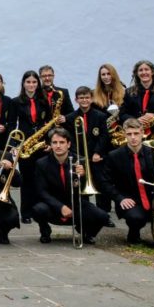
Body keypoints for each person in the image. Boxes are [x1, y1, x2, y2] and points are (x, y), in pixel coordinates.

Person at [101, 118, 154, 244]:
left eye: (136, 133)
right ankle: (134, 234)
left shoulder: (153, 152)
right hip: (131, 200)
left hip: (153, 198)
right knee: (136, 218)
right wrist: (120, 198)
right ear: (124, 134)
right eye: (129, 134)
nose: (133, 138)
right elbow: (104, 183)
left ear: (142, 133)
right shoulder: (114, 156)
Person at [32, 128, 109, 245]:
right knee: (38, 209)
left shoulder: (80, 160)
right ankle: (45, 231)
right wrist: (60, 207)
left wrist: (83, 176)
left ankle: (87, 233)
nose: (58, 146)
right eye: (55, 142)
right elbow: (42, 192)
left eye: (62, 142)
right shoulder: (41, 163)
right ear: (50, 145)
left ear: (68, 144)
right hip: (53, 205)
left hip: (76, 203)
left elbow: (88, 192)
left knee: (103, 217)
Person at [65, 86, 114, 222]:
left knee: (101, 185)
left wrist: (98, 152)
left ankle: (104, 215)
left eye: (87, 97)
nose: (84, 100)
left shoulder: (100, 116)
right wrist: (77, 155)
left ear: (91, 99)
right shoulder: (71, 118)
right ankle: (85, 214)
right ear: (76, 100)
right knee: (81, 185)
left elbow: (104, 136)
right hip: (79, 157)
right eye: (81, 98)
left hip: (96, 157)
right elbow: (70, 139)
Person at [12, 70, 50, 224]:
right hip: (26, 145)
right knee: (27, 180)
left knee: (40, 179)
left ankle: (38, 210)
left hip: (41, 144)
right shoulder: (16, 102)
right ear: (23, 84)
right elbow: (11, 125)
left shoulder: (43, 101)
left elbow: (47, 123)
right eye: (28, 82)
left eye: (34, 82)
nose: (31, 85)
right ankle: (26, 212)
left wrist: (48, 143)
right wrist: (14, 145)